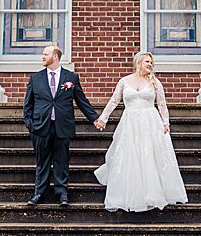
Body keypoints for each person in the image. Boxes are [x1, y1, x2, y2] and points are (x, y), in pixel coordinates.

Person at [92, 51, 188, 212]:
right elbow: (114, 100)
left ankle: (152, 193)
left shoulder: (155, 83)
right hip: (130, 122)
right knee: (130, 156)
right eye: (147, 62)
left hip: (150, 121)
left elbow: (162, 104)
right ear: (138, 63)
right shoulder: (124, 81)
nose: (150, 64)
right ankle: (128, 194)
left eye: (151, 62)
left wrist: (166, 122)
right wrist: (103, 118)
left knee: (150, 156)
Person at [22, 44, 99, 206]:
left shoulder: (71, 78)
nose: (42, 57)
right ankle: (39, 193)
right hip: (40, 127)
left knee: (61, 161)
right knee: (42, 162)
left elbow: (81, 101)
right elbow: (28, 104)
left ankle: (62, 193)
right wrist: (30, 123)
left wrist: (94, 119)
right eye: (42, 54)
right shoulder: (35, 78)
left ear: (55, 56)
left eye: (45, 54)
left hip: (62, 126)